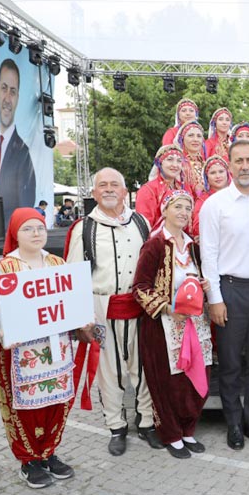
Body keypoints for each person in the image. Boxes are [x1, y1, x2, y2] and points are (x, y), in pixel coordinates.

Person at [65, 167, 163, 456]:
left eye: (114, 185)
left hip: (140, 307)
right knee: (110, 371)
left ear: (124, 191)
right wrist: (81, 319)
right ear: (94, 192)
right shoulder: (84, 228)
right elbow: (73, 275)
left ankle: (146, 422)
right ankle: (116, 426)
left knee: (143, 368)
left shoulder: (142, 222)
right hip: (102, 308)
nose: (108, 189)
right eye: (102, 185)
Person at [199, 141, 249, 451]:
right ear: (229, 165)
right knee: (231, 362)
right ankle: (233, 423)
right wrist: (215, 299)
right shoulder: (215, 205)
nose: (245, 165)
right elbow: (208, 254)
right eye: (239, 161)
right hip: (230, 290)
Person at [0, 208, 80, 488]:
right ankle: (28, 459)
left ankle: (49, 451)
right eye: (28, 229)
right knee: (26, 406)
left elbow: (70, 301)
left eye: (40, 228)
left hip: (56, 348)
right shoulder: (4, 268)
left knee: (56, 400)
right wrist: (3, 330)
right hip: (22, 352)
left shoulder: (57, 262)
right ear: (15, 234)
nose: (36, 234)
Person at [134, 190, 213, 459]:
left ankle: (189, 429)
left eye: (187, 208)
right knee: (169, 381)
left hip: (195, 323)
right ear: (165, 210)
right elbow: (140, 287)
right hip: (164, 325)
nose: (182, 212)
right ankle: (171, 433)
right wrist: (167, 308)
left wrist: (204, 285)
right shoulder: (155, 245)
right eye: (177, 206)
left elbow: (199, 278)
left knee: (196, 376)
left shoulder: (193, 246)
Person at [0, 58, 37, 222]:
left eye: (13, 92)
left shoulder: (23, 151)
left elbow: (25, 203)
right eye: (4, 89)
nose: (7, 98)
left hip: (10, 234)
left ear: (18, 97)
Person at [135, 144, 186, 229]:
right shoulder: (148, 190)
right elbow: (145, 225)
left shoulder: (183, 188)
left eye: (179, 161)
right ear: (160, 162)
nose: (175, 165)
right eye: (170, 160)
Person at [190, 156, 231, 238]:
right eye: (213, 173)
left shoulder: (236, 195)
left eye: (221, 171)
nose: (218, 176)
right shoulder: (202, 200)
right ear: (206, 178)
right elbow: (197, 227)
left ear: (227, 174)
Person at [176, 121, 207, 198]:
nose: (195, 139)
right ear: (182, 139)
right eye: (191, 135)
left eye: (199, 136)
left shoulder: (206, 164)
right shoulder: (178, 164)